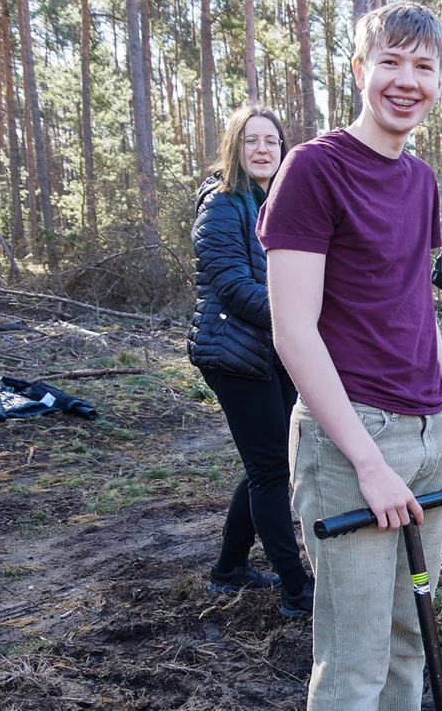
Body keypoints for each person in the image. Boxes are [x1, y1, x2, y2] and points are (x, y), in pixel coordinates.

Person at [258, 3, 442, 709]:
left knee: (413, 639)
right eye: (391, 62)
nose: (406, 81)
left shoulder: (422, 180)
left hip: (428, 430)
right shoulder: (312, 170)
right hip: (352, 441)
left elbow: (413, 297)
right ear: (359, 71)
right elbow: (293, 330)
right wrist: (368, 465)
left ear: (440, 82)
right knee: (354, 662)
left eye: (424, 67)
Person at [188, 105, 313, 613]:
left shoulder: (274, 203)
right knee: (269, 469)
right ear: (235, 148)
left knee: (267, 461)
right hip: (233, 353)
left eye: (272, 141)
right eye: (252, 141)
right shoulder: (221, 205)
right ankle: (295, 588)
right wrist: (301, 318)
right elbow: (234, 287)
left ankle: (230, 567)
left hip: (273, 348)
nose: (263, 150)